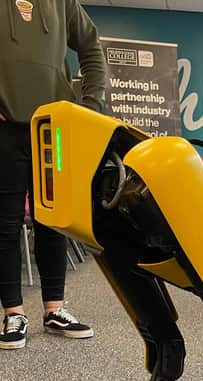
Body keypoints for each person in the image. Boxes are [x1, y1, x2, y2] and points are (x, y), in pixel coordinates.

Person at [0, 0, 106, 349]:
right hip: (5, 130)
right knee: (6, 223)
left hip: (52, 128)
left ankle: (54, 309)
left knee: (52, 219)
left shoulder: (62, 3)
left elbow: (90, 46)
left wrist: (91, 104)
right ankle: (13, 313)